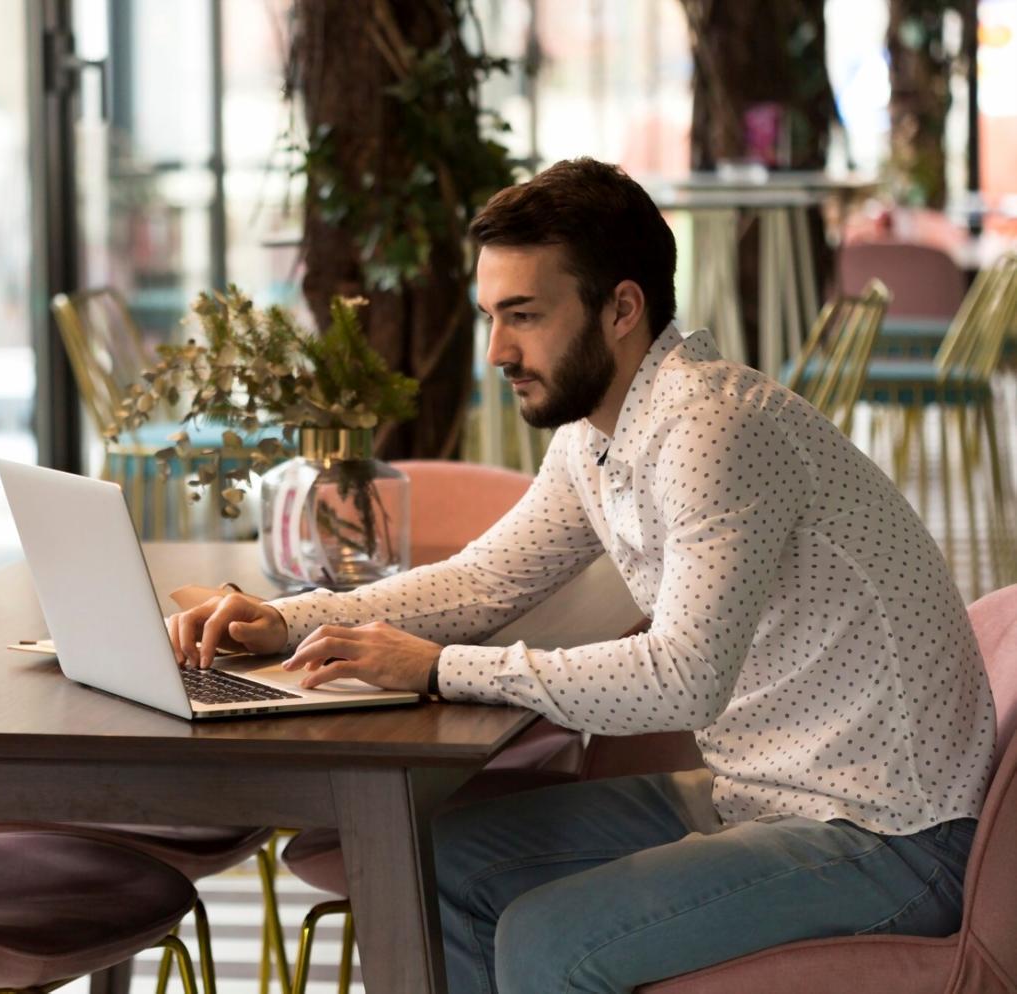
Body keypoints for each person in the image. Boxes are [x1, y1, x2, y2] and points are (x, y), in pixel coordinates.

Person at [166, 158, 996, 994]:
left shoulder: (714, 430)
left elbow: (683, 680)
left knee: (548, 936)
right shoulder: (594, 436)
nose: (497, 350)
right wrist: (290, 619)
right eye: (491, 316)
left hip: (888, 833)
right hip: (760, 793)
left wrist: (440, 668)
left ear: (622, 308)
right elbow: (484, 582)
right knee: (436, 861)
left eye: (523, 315)